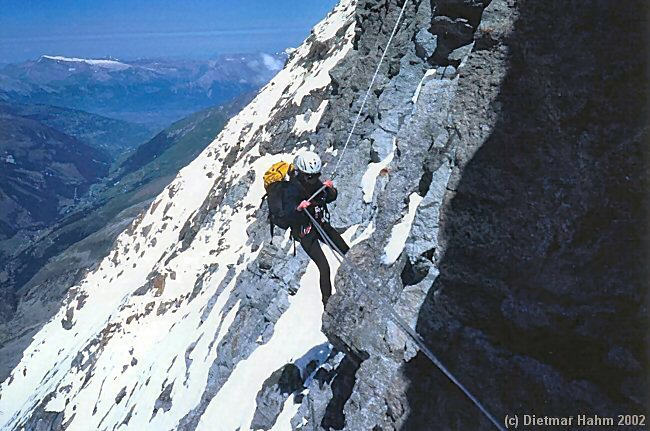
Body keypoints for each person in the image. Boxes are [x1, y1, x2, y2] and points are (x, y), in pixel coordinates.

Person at [287, 151, 349, 307]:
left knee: (347, 251)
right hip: (306, 233)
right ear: (302, 173)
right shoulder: (292, 189)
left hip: (320, 224)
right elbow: (287, 214)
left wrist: (329, 189)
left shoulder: (315, 183)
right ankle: (327, 303)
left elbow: (329, 198)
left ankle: (357, 280)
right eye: (310, 176)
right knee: (324, 266)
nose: (314, 179)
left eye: (316, 175)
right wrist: (299, 209)